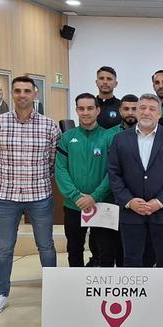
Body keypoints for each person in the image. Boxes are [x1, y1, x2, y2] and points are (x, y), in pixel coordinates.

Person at [0, 76, 61, 316]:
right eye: (17, 91)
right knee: (4, 247)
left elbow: (52, 162)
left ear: (35, 94)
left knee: (46, 245)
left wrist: (36, 178)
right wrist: (10, 178)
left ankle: (53, 292)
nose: (22, 95)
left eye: (27, 91)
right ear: (11, 94)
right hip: (7, 196)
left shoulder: (49, 126)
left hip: (40, 195)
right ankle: (1, 293)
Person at [108, 93, 163, 267]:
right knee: (131, 259)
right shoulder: (120, 139)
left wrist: (159, 202)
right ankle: (134, 295)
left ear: (159, 114)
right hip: (131, 213)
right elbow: (114, 174)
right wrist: (128, 201)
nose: (146, 112)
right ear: (136, 112)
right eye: (142, 108)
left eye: (152, 109)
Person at [56, 93, 121, 268]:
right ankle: (77, 288)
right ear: (76, 110)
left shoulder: (109, 137)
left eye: (90, 108)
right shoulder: (67, 138)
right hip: (74, 205)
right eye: (81, 108)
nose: (86, 112)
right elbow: (60, 169)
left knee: (106, 250)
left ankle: (104, 291)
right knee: (74, 249)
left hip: (103, 204)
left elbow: (113, 172)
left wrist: (95, 196)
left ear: (98, 110)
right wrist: (76, 196)